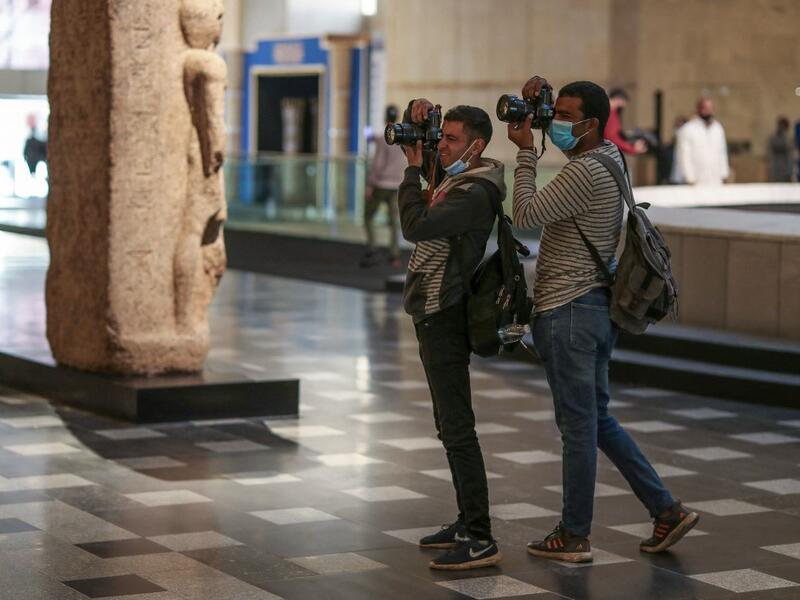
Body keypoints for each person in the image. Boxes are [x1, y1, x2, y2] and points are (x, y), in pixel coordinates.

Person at [507, 76, 698, 564]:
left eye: (567, 116)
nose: (558, 123)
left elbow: (524, 211)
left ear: (592, 123)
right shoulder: (612, 158)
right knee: (597, 419)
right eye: (558, 114)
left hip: (568, 308)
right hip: (594, 306)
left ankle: (574, 535)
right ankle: (666, 510)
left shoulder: (583, 172)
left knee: (578, 427)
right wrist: (542, 108)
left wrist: (527, 151)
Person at [398, 100, 505, 570]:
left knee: (458, 427)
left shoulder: (474, 192)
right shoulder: (459, 180)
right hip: (433, 310)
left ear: (477, 146)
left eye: (452, 140)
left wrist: (410, 173)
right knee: (449, 424)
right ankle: (466, 521)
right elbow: (425, 147)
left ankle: (480, 537)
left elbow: (415, 225)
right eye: (441, 138)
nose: (441, 147)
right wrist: (418, 120)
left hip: (444, 311)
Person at [360, 105, 406, 268]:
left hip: (381, 184)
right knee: (394, 221)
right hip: (397, 185)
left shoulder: (383, 139)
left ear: (385, 118)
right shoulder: (403, 138)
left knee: (368, 216)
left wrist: (370, 184)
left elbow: (377, 163)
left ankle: (373, 248)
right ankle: (394, 255)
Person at [674, 97, 730, 185]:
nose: (708, 111)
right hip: (696, 179)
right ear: (698, 109)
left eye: (710, 108)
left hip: (715, 179)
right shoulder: (688, 129)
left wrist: (724, 173)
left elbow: (722, 152)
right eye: (705, 108)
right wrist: (689, 177)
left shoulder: (718, 128)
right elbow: (684, 155)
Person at [604, 88, 647, 156]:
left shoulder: (606, 111)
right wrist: (632, 148)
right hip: (607, 153)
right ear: (619, 101)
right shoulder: (611, 114)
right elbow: (612, 138)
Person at [766, 117, 793, 182]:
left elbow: (789, 154)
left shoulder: (786, 137)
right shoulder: (775, 137)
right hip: (777, 170)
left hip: (784, 170)